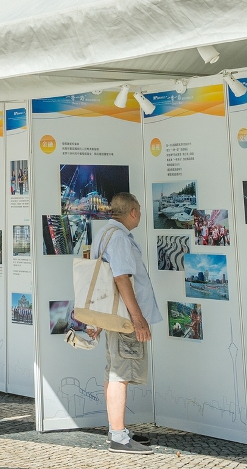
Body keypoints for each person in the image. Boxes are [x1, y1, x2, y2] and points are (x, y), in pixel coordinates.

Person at [86, 192, 160, 454]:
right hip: (124, 319)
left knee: (114, 371)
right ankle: (118, 437)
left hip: (113, 317)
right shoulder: (119, 239)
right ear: (133, 211)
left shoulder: (105, 234)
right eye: (139, 210)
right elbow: (121, 278)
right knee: (121, 374)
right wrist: (138, 318)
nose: (139, 214)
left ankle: (117, 428)